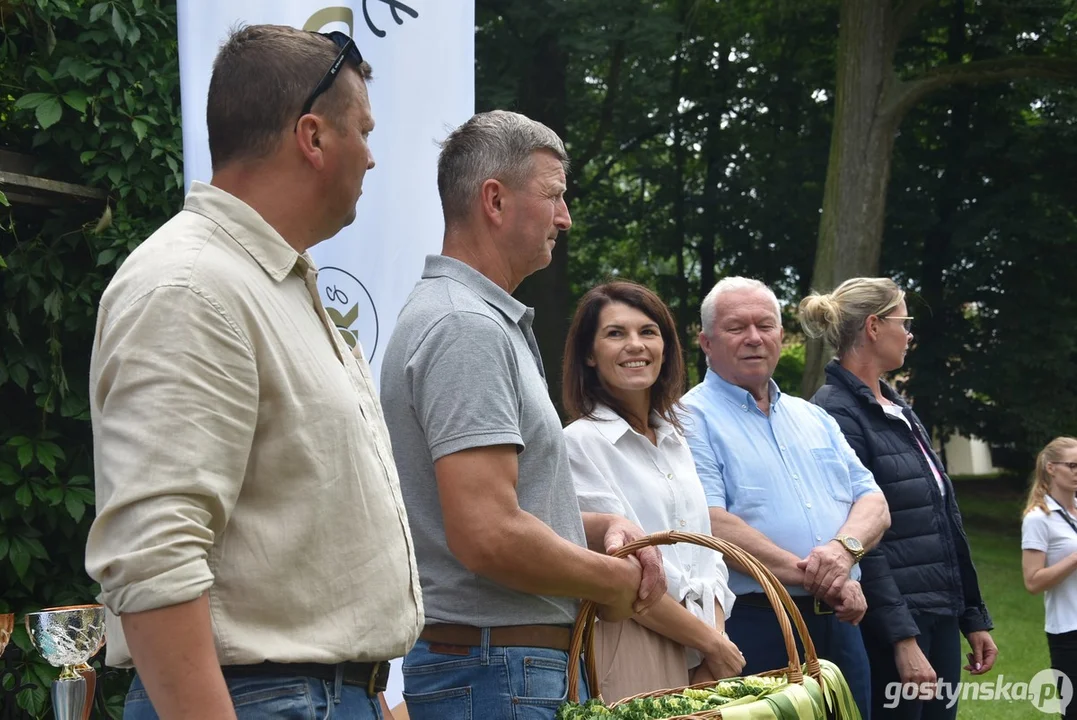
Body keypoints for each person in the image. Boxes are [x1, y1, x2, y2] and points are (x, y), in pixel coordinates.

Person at [84, 25, 422, 719]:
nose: (372, 157)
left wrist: (369, 695)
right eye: (361, 129)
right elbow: (153, 556)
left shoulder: (265, 283)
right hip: (268, 700)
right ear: (313, 137)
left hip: (312, 696)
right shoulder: (192, 286)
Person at [378, 111, 666, 720]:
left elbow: (496, 511)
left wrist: (602, 526)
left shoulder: (469, 318)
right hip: (499, 673)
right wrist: (610, 582)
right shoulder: (466, 327)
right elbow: (487, 533)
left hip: (500, 669)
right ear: (494, 200)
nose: (565, 217)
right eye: (555, 196)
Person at [681, 276, 889, 719]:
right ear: (706, 341)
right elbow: (711, 521)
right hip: (756, 623)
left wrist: (843, 550)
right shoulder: (687, 418)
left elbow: (873, 501)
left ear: (781, 334)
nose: (754, 338)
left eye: (767, 325)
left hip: (839, 621)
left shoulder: (813, 416)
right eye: (737, 327)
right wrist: (823, 576)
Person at [800, 277, 996, 719]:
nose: (909, 333)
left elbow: (944, 515)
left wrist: (971, 615)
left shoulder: (897, 406)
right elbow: (862, 537)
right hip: (892, 624)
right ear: (873, 327)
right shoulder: (834, 412)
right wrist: (902, 640)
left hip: (938, 611)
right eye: (903, 321)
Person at [561, 281, 745, 703]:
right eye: (615, 333)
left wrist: (713, 645)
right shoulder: (579, 444)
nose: (635, 345)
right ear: (589, 355)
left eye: (648, 331)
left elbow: (707, 553)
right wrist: (711, 645)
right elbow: (625, 577)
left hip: (706, 647)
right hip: (634, 641)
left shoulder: (677, 440)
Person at [1022, 437, 1077, 720]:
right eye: (1073, 465)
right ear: (1052, 468)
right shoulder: (1038, 518)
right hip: (1069, 630)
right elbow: (1033, 581)